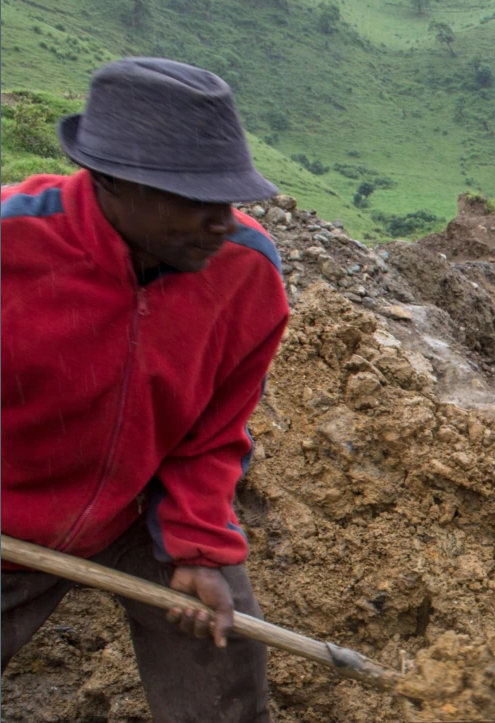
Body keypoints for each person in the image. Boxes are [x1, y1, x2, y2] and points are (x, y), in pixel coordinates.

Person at [1, 58, 288, 722]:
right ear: (110, 183)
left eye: (231, 197)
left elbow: (214, 434)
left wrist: (196, 548)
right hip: (9, 511)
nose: (223, 221)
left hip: (140, 510)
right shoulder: (13, 244)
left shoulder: (247, 274)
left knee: (224, 664)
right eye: (197, 200)